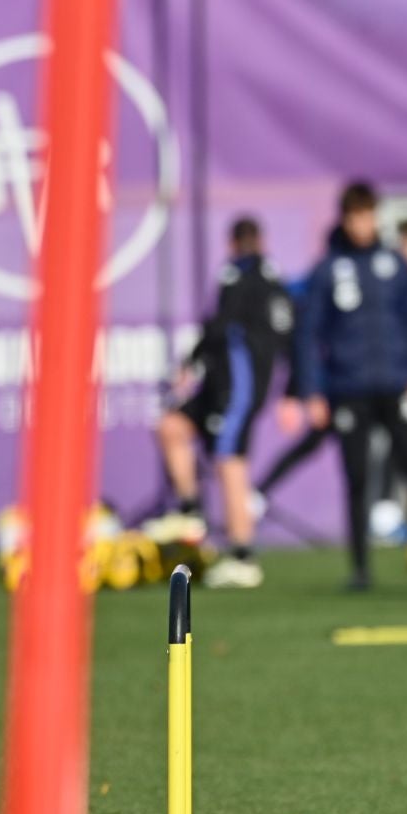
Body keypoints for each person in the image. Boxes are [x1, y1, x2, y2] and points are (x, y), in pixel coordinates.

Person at [291, 181, 407, 589]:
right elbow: (309, 333)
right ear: (344, 219)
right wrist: (312, 391)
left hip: (395, 386)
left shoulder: (395, 265)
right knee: (357, 478)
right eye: (355, 216)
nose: (362, 224)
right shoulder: (328, 270)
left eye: (368, 215)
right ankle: (360, 569)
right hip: (349, 389)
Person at [156, 216, 295, 589]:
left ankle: (243, 555)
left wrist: (191, 361)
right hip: (221, 388)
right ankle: (191, 511)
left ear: (232, 244)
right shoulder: (275, 283)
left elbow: (219, 327)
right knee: (172, 426)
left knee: (230, 463)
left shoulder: (241, 277)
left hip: (236, 390)